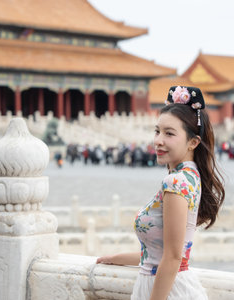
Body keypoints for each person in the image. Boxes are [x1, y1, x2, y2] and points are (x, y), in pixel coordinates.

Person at [96, 86, 225, 299]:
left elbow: (173, 258)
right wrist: (117, 257)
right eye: (157, 131)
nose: (158, 140)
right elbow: (160, 254)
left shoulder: (175, 182)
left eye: (169, 134)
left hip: (166, 290)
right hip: (174, 285)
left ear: (193, 142)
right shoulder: (191, 178)